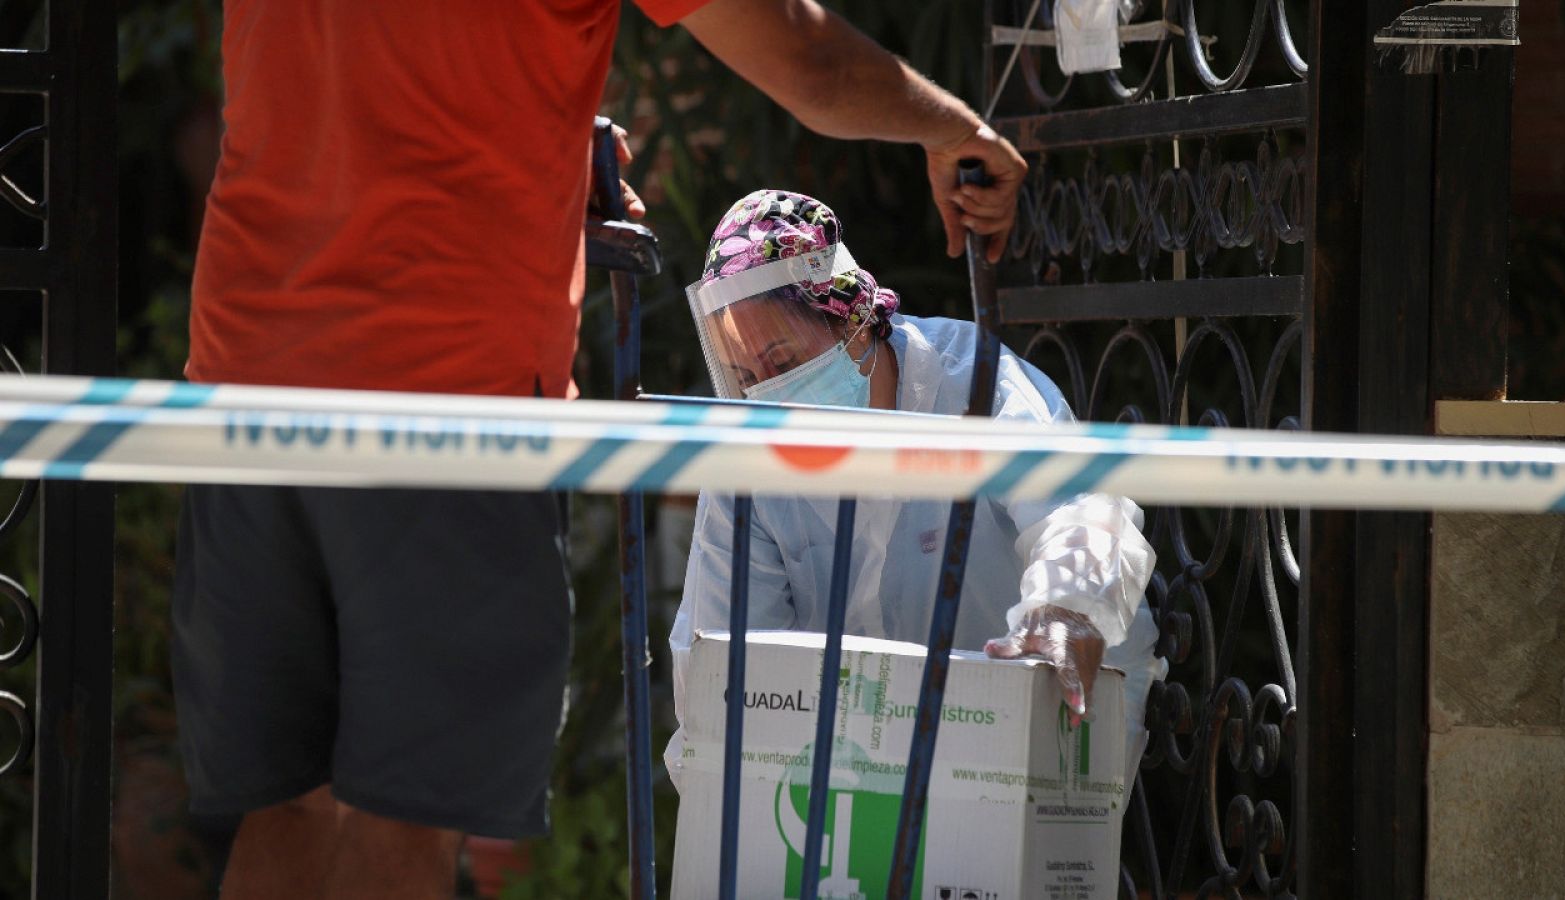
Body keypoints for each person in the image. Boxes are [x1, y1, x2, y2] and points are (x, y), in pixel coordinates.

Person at [173, 2, 1028, 898]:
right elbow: (806, 58)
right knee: (407, 817)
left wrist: (531, 133)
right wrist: (954, 128)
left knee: (285, 805)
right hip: (446, 400)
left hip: (243, 381)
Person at [668, 190, 1164, 793]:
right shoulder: (746, 460)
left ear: (850, 319)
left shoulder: (971, 386)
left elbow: (1078, 508)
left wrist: (1065, 611)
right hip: (849, 775)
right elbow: (718, 660)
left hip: (1029, 732)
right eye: (747, 378)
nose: (769, 393)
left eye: (783, 361)